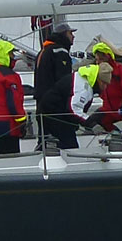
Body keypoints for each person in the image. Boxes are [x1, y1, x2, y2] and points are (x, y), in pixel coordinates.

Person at [35, 22, 80, 150]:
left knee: (45, 143)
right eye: (70, 33)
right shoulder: (59, 52)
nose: (73, 37)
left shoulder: (43, 51)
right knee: (69, 145)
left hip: (42, 105)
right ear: (63, 35)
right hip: (56, 108)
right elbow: (64, 82)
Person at [83, 42, 122, 133]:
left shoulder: (121, 70)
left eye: (101, 59)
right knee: (90, 122)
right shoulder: (97, 71)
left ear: (108, 57)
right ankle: (116, 134)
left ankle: (119, 135)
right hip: (108, 110)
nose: (98, 62)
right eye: (97, 60)